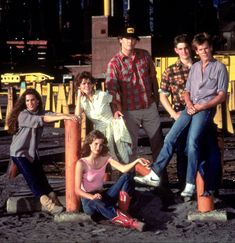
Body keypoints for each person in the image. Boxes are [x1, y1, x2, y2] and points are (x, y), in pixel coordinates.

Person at [134, 32, 228, 197]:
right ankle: (157, 174)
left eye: (206, 48)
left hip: (204, 110)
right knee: (172, 139)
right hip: (185, 110)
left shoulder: (218, 68)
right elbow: (181, 92)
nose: (203, 52)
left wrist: (200, 106)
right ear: (177, 50)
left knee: (199, 146)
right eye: (200, 49)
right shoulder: (184, 69)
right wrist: (185, 108)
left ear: (209, 48)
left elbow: (221, 95)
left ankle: (196, 185)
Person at [7, 88, 80, 215]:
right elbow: (43, 119)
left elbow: (51, 114)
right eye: (27, 101)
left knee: (42, 178)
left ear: (37, 101)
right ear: (24, 102)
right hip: (18, 153)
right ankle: (49, 206)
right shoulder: (23, 115)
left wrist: (68, 116)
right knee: (32, 180)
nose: (30, 103)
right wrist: (64, 116)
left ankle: (56, 202)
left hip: (31, 153)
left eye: (32, 100)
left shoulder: (40, 112)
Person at [105, 26, 163, 163]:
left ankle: (160, 178)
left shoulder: (145, 55)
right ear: (120, 40)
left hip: (149, 107)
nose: (129, 42)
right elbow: (112, 89)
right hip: (129, 111)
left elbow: (153, 78)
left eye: (132, 39)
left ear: (136, 41)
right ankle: (128, 181)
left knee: (158, 143)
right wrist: (116, 110)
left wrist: (156, 100)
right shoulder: (114, 63)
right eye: (126, 39)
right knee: (130, 147)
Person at [74, 130, 150, 231]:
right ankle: (130, 222)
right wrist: (92, 197)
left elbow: (123, 169)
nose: (98, 147)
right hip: (89, 202)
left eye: (101, 145)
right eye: (95, 144)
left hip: (103, 196)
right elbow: (77, 190)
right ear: (89, 144)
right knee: (97, 201)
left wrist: (136, 161)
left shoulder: (105, 158)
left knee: (127, 176)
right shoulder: (81, 163)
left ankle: (123, 212)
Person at [158, 34, 193, 188]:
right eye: (180, 49)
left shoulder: (200, 66)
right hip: (181, 112)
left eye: (186, 48)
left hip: (200, 111)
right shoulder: (170, 71)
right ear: (175, 51)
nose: (184, 51)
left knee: (198, 147)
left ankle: (200, 184)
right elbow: (162, 96)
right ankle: (183, 185)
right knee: (182, 149)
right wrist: (173, 114)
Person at [75, 71, 132, 163]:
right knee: (104, 156)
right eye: (83, 83)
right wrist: (78, 97)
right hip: (99, 131)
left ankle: (126, 172)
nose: (87, 86)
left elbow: (117, 102)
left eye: (89, 83)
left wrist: (117, 112)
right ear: (79, 86)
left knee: (120, 154)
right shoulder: (82, 101)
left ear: (93, 84)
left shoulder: (102, 95)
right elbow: (77, 115)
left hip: (113, 126)